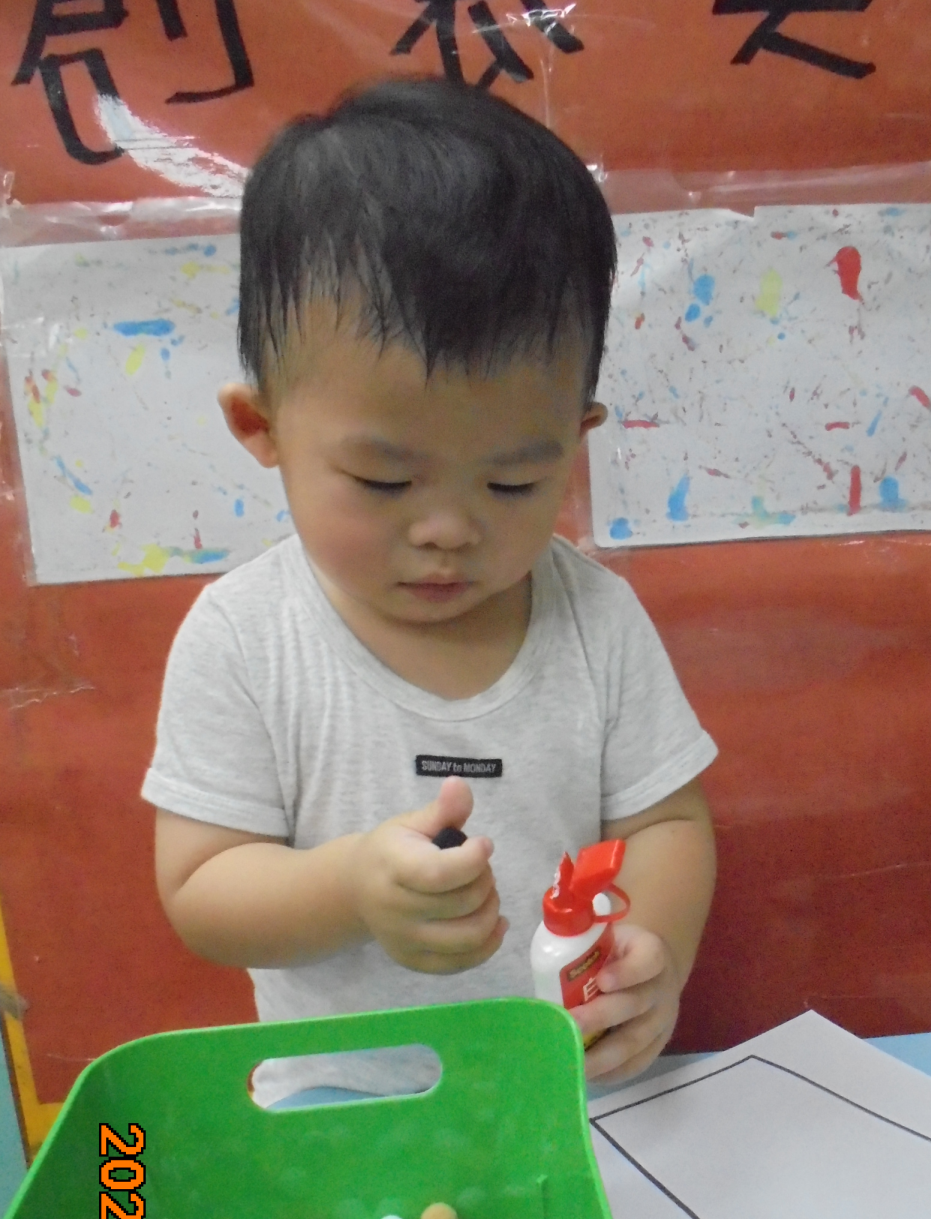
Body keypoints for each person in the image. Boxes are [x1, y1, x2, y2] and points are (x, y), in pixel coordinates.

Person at [142, 76, 717, 1086]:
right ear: (261, 427)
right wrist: (351, 889)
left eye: (513, 481)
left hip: (558, 1089)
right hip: (338, 1097)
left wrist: (651, 962)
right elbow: (201, 889)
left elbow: (665, 823)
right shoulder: (244, 635)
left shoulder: (595, 618)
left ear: (576, 438)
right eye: (383, 480)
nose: (448, 530)